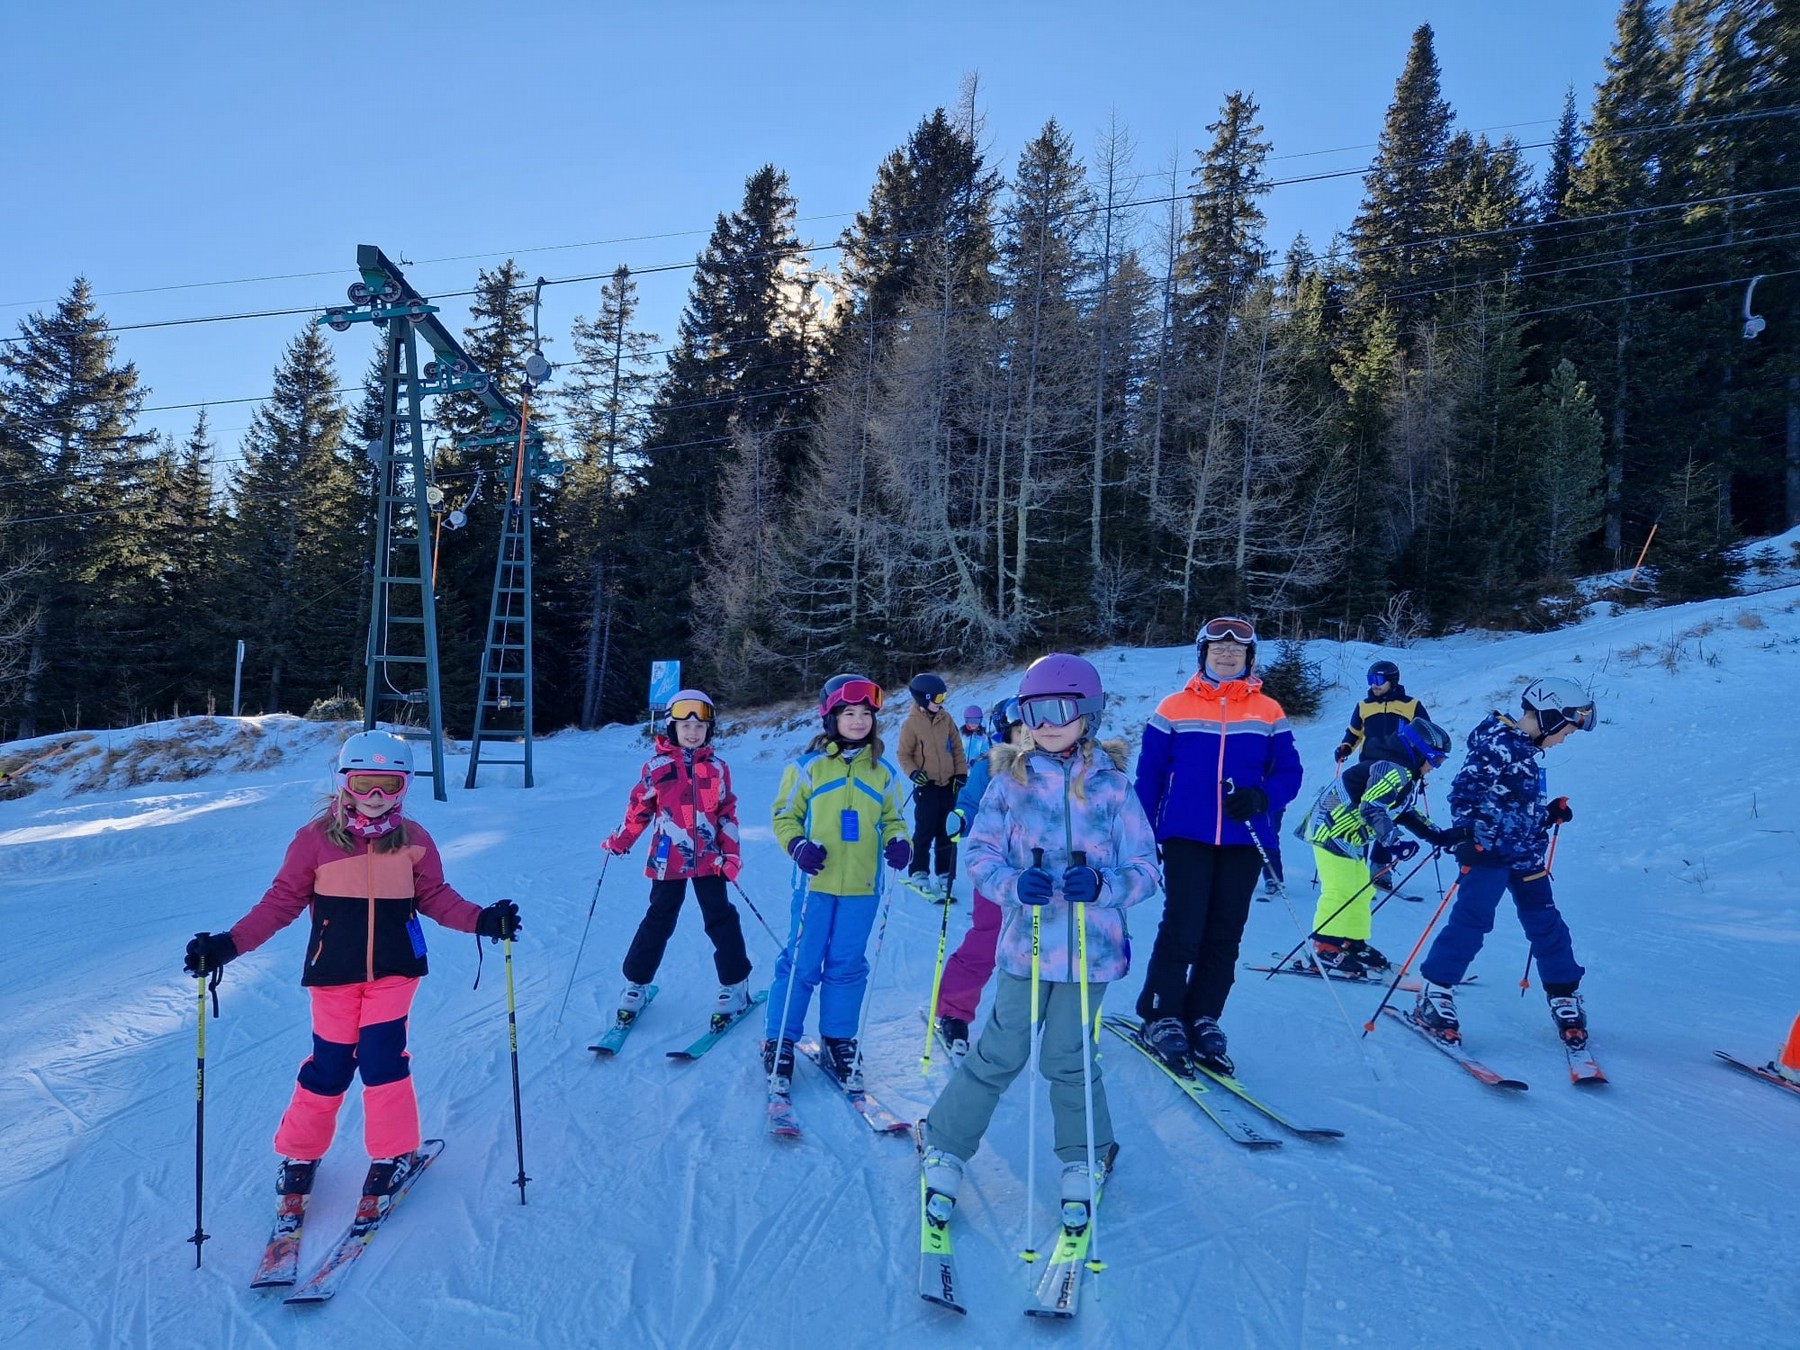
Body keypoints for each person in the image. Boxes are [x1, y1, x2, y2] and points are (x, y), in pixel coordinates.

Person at [180, 730, 519, 1202]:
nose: (376, 796)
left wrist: (482, 920)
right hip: (333, 975)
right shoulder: (315, 841)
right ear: (344, 783)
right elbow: (280, 903)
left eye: (389, 785)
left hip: (395, 972)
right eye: (364, 784)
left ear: (404, 786)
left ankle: (393, 1153)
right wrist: (228, 945)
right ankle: (300, 1156)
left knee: (383, 1061)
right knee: (330, 1066)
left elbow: (437, 897)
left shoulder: (414, 840)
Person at [921, 653, 1160, 1220]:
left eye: (1059, 710)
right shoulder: (1009, 784)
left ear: (1088, 714)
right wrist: (1010, 883)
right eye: (1033, 712)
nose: (1045, 724)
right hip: (1025, 949)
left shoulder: (1113, 788)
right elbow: (979, 854)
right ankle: (945, 1141)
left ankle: (1086, 1155)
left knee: (1069, 1058)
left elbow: (1148, 868)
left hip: (1091, 953)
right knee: (1000, 1051)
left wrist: (1103, 885)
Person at [1133, 616, 1303, 1074]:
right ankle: (1162, 1014)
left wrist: (1262, 797)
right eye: (1218, 649)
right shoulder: (1173, 707)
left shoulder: (1268, 711)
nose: (1227, 655)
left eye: (1236, 650)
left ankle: (1204, 1015)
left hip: (1244, 837)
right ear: (1203, 655)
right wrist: (1143, 834)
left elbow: (1290, 773)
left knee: (1226, 931)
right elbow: (1149, 776)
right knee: (1183, 924)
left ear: (1249, 657)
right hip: (1185, 833)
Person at [1412, 677, 1597, 1047]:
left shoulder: (1524, 751)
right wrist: (1464, 837)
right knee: (1472, 922)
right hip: (1487, 855)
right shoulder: (1497, 744)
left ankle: (1564, 993)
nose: (1563, 740)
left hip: (1525, 855)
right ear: (1550, 717)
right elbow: (1465, 792)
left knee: (1546, 923)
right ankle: (1435, 992)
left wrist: (1547, 815)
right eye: (1565, 732)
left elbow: (1509, 804)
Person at [765, 674, 911, 1088]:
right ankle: (780, 1038)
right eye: (849, 713)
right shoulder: (806, 768)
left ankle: (838, 1039)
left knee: (847, 965)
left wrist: (900, 842)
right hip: (816, 884)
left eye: (866, 714)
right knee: (801, 962)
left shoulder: (883, 773)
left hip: (863, 887)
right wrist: (797, 845)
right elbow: (784, 816)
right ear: (830, 718)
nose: (859, 721)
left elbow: (894, 819)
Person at [601, 688, 753, 1032]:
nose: (693, 732)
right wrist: (621, 841)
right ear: (672, 728)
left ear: (708, 730)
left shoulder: (717, 768)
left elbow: (727, 813)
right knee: (659, 917)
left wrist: (731, 854)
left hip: (710, 858)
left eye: (700, 726)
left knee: (719, 916)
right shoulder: (657, 768)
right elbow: (639, 810)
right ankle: (637, 984)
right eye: (685, 726)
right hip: (668, 856)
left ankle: (735, 985)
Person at [1301, 718, 1464, 976]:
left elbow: (1403, 812)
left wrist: (1439, 836)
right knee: (1340, 890)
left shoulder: (1404, 774)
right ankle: (1323, 947)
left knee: (1362, 891)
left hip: (1349, 837)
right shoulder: (1391, 769)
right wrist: (1394, 842)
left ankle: (1351, 942)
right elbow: (1372, 807)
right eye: (1435, 760)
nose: (1434, 767)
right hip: (1330, 831)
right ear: (1418, 751)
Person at [933, 696, 1027, 1053]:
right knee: (987, 939)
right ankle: (953, 1011)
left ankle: (1051, 1016)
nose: (1029, 736)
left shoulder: (1059, 768)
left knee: (1045, 947)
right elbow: (970, 803)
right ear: (1006, 734)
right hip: (996, 871)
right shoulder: (989, 767)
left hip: (1045, 877)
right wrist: (961, 818)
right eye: (1020, 730)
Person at [1334, 659, 1433, 889]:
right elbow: (1354, 733)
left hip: (1400, 769)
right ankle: (1356, 869)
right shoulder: (1364, 706)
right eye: (1370, 680)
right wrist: (1345, 747)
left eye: (1378, 680)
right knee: (1363, 816)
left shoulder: (1411, 705)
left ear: (1392, 680)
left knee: (1389, 815)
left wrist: (1422, 765)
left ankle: (1380, 871)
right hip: (1369, 768)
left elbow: (1426, 735)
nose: (1374, 684)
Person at [898, 673, 969, 901]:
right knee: (925, 830)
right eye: (937, 698)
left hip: (948, 784)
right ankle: (919, 871)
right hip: (926, 786)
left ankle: (945, 873)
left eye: (943, 697)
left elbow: (957, 749)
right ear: (923, 698)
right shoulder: (911, 724)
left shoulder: (946, 719)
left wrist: (960, 773)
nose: (941, 702)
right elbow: (903, 754)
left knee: (946, 830)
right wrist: (913, 772)